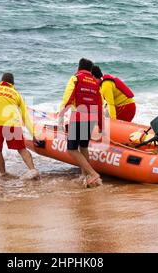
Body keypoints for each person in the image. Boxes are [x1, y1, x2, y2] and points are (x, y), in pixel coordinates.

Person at [58, 58, 104, 188]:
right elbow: (100, 106)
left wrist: (61, 115)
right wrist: (100, 125)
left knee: (72, 149)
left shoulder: (76, 78)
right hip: (92, 118)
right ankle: (85, 176)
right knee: (83, 147)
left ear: (79, 67)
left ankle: (93, 173)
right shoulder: (95, 83)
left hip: (78, 117)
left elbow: (68, 97)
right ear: (90, 70)